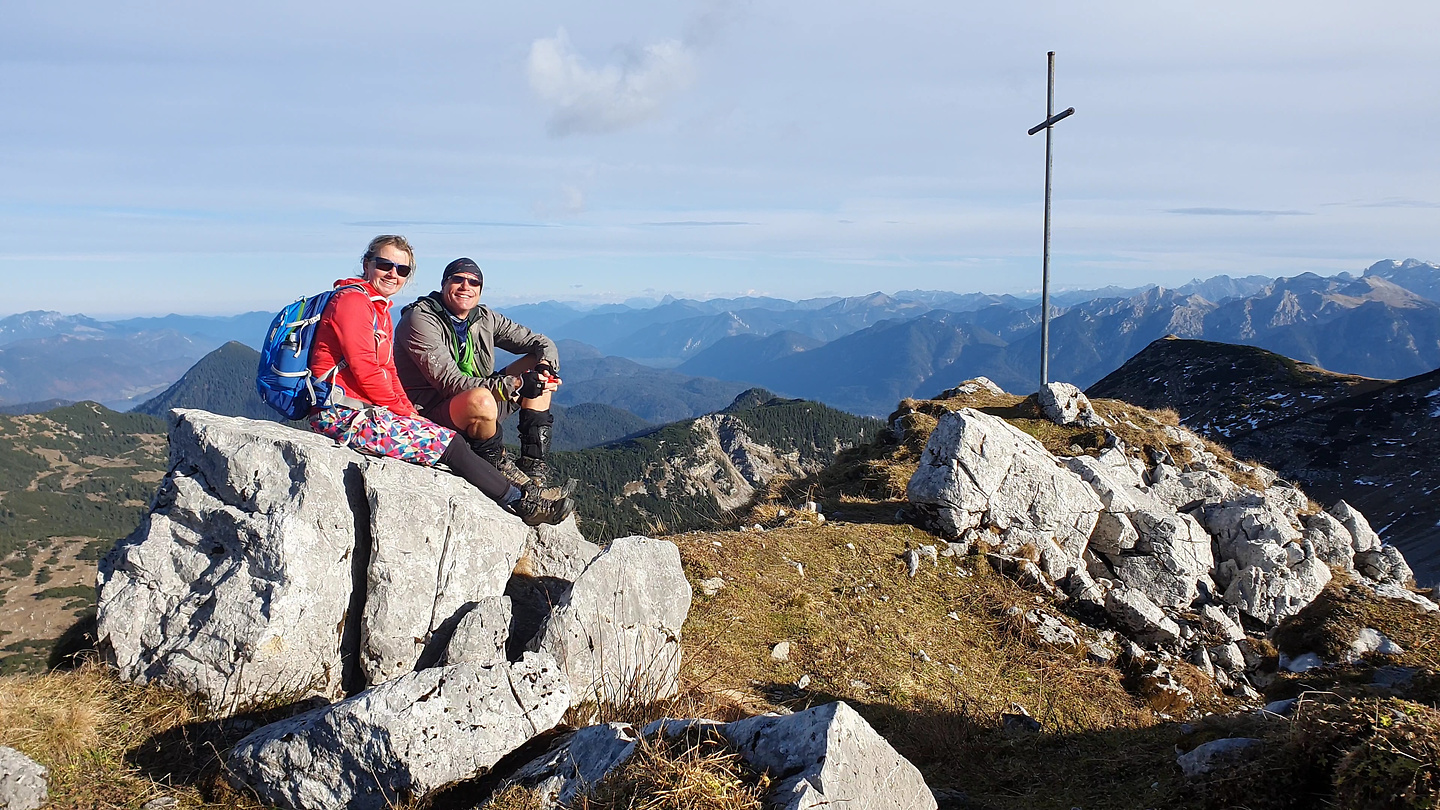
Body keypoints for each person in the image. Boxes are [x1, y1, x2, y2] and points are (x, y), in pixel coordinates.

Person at [306, 235, 573, 526]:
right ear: (367, 264)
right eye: (385, 264)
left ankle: (531, 478)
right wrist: (407, 412)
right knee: (447, 444)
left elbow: (386, 371)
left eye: (402, 269)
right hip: (342, 412)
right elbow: (368, 372)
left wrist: (403, 409)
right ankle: (521, 502)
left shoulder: (375, 305)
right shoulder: (355, 302)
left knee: (452, 439)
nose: (393, 273)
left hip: (360, 408)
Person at [394, 257, 562, 487]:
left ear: (480, 291)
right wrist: (517, 385)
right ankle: (495, 461)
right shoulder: (420, 320)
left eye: (474, 283)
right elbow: (451, 383)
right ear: (444, 284)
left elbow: (542, 343)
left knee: (539, 370)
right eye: (458, 280)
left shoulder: (483, 318)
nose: (466, 286)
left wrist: (544, 368)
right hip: (433, 411)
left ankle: (533, 467)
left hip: (477, 400)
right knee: (482, 398)